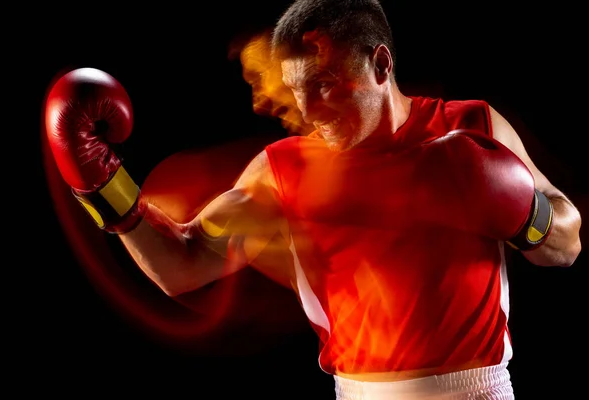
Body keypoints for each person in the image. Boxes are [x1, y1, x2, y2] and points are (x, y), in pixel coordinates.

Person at [44, 0, 582, 398]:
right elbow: (182, 263)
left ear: (381, 64)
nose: (310, 110)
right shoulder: (287, 169)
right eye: (299, 91)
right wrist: (101, 189)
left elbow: (567, 241)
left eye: (325, 84)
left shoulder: (472, 124)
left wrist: (523, 211)